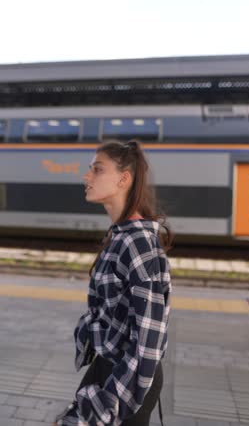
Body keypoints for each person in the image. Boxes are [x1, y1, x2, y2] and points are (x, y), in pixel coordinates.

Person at [54, 139, 172, 426]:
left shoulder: (138, 243)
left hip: (130, 378)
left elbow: (147, 342)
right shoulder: (121, 235)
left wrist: (107, 403)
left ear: (124, 178)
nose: (86, 176)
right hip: (110, 365)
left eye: (97, 169)